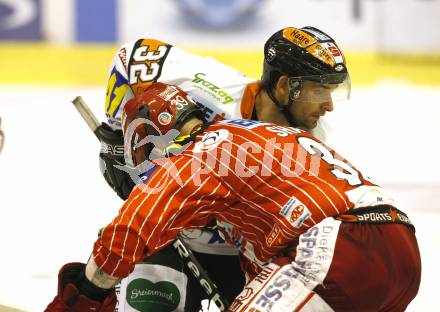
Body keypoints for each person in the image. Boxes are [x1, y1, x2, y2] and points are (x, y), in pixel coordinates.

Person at [47, 83, 420, 312]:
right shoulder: (256, 135)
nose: (150, 173)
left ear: (154, 137)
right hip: (399, 251)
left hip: (335, 249)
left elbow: (135, 225)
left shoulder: (206, 149)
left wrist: (85, 292)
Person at [97, 26, 351, 310]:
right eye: (319, 90)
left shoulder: (313, 144)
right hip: (165, 235)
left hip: (237, 258)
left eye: (331, 91)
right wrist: (116, 135)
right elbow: (133, 57)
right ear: (283, 86)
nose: (329, 106)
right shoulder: (207, 88)